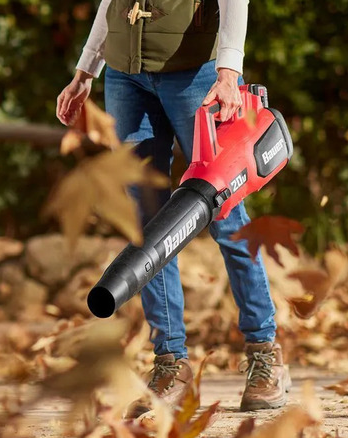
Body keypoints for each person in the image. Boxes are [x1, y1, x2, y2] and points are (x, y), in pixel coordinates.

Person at [55, 0, 290, 417]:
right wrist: (86, 70)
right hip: (126, 78)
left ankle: (264, 354)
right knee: (148, 224)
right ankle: (170, 364)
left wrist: (229, 72)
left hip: (195, 75)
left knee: (226, 216)